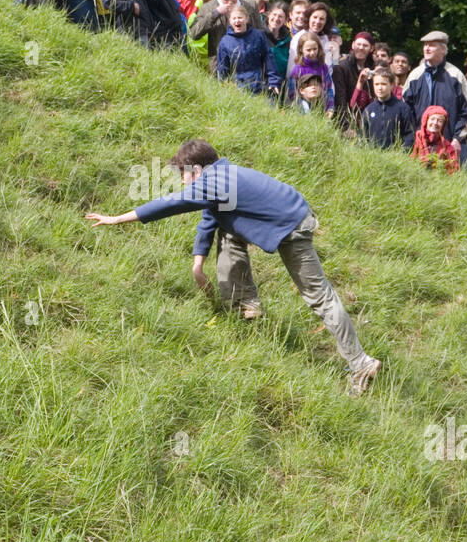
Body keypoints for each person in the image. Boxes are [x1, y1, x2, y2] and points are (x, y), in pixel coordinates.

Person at [85, 140, 381, 397]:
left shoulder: (215, 180)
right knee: (228, 233)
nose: (183, 183)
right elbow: (211, 218)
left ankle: (361, 363)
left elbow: (171, 203)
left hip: (292, 227)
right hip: (291, 218)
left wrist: (116, 219)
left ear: (196, 170)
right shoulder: (222, 177)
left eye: (184, 176)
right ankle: (245, 305)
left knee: (321, 298)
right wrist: (197, 264)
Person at [402, 31, 467, 164]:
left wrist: (457, 138)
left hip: (450, 146)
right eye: (425, 45)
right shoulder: (415, 76)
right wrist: (415, 137)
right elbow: (405, 111)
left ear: (443, 49)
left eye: (431, 45)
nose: (426, 48)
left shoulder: (455, 76)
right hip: (420, 146)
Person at [189, 0, 261, 70]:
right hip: (220, 64)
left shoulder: (250, 5)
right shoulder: (207, 8)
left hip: (249, 61)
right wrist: (216, 13)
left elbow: (259, 32)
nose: (230, 1)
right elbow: (194, 34)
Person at [214, 5, 278, 98]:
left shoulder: (258, 35)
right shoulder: (225, 41)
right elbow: (222, 69)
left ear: (247, 19)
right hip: (238, 88)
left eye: (240, 18)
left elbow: (269, 59)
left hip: (260, 85)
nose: (237, 21)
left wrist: (274, 82)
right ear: (230, 21)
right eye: (234, 18)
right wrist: (224, 88)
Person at [360, 68, 415, 150]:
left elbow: (410, 135)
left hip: (396, 156)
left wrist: (403, 152)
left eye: (383, 84)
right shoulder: (369, 109)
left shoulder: (403, 108)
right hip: (372, 157)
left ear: (392, 85)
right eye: (376, 84)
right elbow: (362, 135)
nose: (380, 88)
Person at [286, 31, 334, 118]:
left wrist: (330, 107)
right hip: (303, 108)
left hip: (321, 105)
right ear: (301, 49)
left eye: (315, 49)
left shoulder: (323, 67)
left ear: (319, 48)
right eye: (308, 50)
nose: (312, 53)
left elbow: (329, 89)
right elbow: (292, 93)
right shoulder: (297, 69)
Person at [412, 105, 459, 173]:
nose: (435, 123)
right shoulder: (416, 138)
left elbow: (454, 170)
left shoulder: (447, 147)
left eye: (440, 121)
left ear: (443, 125)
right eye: (432, 119)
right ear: (426, 120)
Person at [264, 1, 292, 97]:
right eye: (274, 15)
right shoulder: (259, 35)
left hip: (281, 86)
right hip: (262, 83)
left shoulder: (289, 40)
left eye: (280, 16)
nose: (276, 19)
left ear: (285, 20)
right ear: (268, 15)